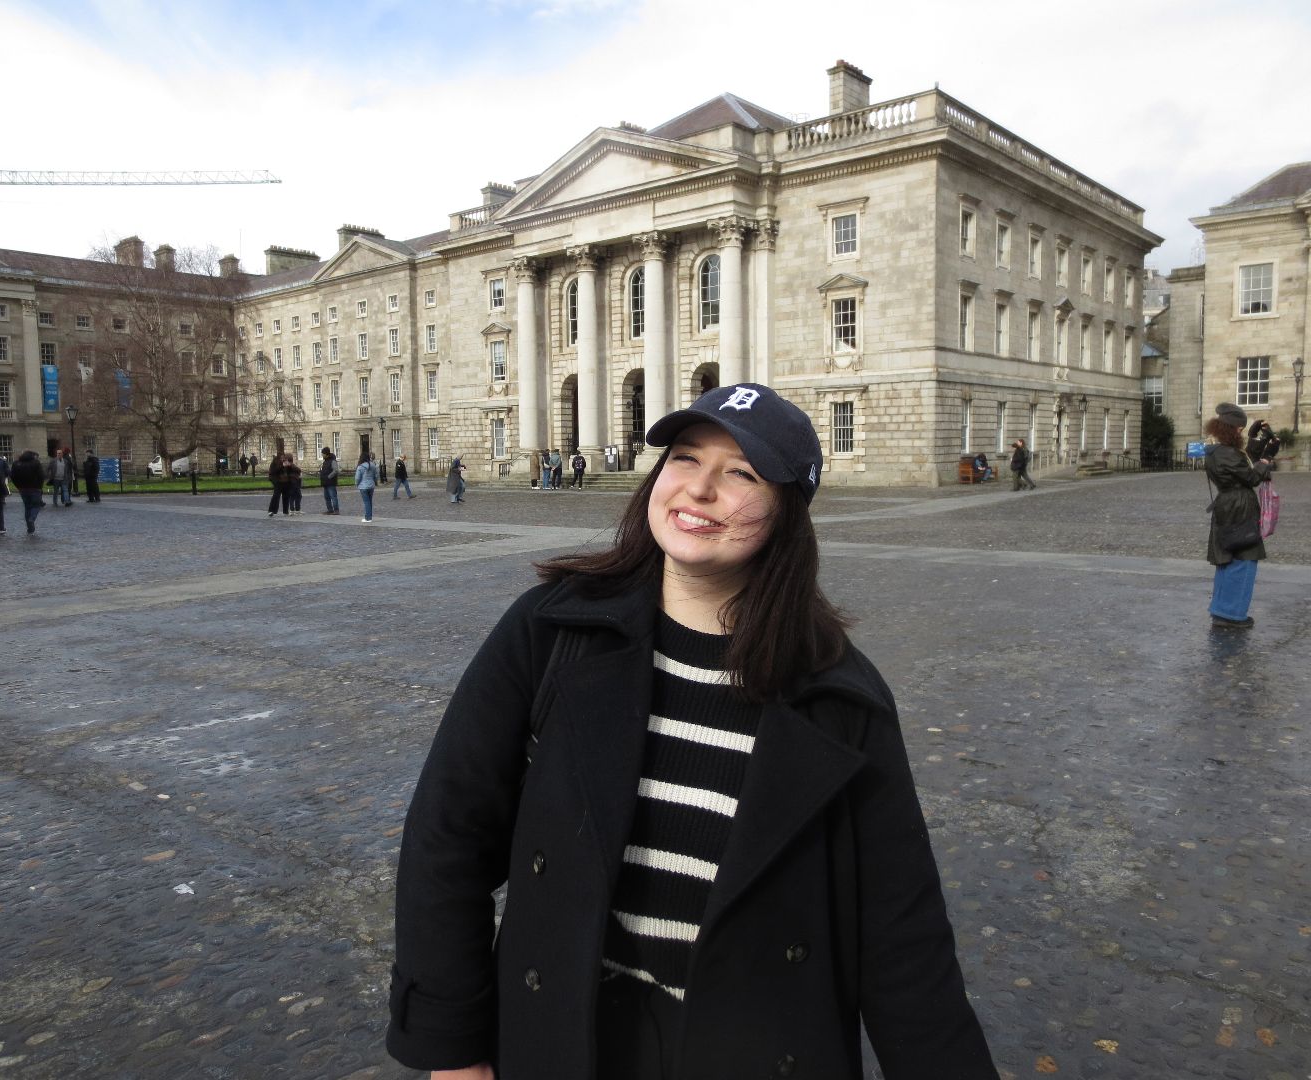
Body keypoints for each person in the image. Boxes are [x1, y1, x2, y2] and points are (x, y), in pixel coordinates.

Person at [386, 383, 997, 1080]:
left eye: (741, 473)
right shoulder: (550, 631)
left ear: (787, 511)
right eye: (683, 458)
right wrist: (454, 1053)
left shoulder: (842, 700)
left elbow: (903, 939)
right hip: (560, 1039)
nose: (698, 490)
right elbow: (447, 837)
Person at [1205, 402, 1274, 629]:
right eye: (1239, 429)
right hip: (1238, 507)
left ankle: (1221, 609)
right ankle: (1231, 614)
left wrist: (1255, 443)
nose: (1240, 433)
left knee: (1228, 557)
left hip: (1230, 505)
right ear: (1231, 428)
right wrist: (1266, 461)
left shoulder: (1220, 450)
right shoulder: (1226, 453)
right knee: (1244, 557)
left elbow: (1243, 465)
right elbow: (1252, 477)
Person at [9, 450, 46, 534]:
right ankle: (32, 519)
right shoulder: (36, 463)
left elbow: (13, 477)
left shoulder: (16, 464)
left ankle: (30, 528)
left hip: (23, 489)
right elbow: (41, 476)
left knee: (27, 507)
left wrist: (18, 486)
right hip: (35, 488)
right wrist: (39, 486)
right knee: (36, 505)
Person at [355, 450, 378, 521]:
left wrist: (357, 484)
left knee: (366, 502)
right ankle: (369, 516)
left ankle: (368, 518)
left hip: (363, 486)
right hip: (371, 485)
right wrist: (375, 482)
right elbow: (376, 476)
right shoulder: (373, 465)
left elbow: (357, 478)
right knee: (369, 501)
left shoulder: (360, 467)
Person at [319, 446, 341, 515]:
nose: (322, 455)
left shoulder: (333, 461)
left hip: (331, 482)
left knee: (333, 496)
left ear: (326, 454)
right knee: (327, 497)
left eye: (323, 454)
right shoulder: (325, 461)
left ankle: (336, 510)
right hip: (325, 482)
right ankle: (330, 509)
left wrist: (329, 477)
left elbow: (335, 470)